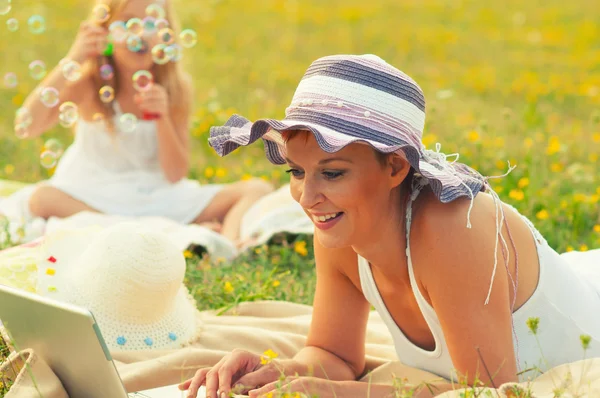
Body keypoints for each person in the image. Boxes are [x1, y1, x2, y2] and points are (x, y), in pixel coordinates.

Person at [179, 54, 600, 398]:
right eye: (296, 172)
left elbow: (486, 390)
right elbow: (335, 356)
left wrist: (340, 395)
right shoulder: (338, 229)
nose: (307, 199)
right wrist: (279, 372)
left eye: (333, 173)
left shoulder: (455, 226)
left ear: (396, 167)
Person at [14, 0, 272, 242]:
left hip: (156, 196)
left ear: (167, 34)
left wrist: (161, 118)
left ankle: (224, 243)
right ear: (104, 33)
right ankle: (170, 232)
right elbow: (27, 126)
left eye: (152, 23)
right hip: (95, 192)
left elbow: (175, 174)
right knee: (41, 199)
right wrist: (74, 57)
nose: (140, 33)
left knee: (256, 189)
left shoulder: (175, 89)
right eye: (127, 22)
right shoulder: (89, 84)